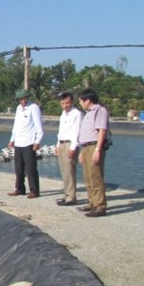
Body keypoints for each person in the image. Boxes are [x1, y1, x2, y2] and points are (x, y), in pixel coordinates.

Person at [77, 88, 110, 217]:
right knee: (88, 177)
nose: (80, 103)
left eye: (81, 101)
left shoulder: (100, 111)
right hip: (86, 146)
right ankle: (92, 202)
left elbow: (102, 131)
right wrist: (82, 151)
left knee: (96, 176)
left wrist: (97, 149)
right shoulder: (88, 112)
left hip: (94, 146)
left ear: (88, 100)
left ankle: (100, 206)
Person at [8, 88, 44, 198]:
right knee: (18, 168)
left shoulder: (33, 108)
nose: (23, 101)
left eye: (24, 98)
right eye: (21, 99)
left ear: (27, 98)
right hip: (18, 142)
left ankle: (34, 190)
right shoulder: (18, 109)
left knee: (31, 168)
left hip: (29, 142)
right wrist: (12, 139)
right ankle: (19, 188)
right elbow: (16, 126)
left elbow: (39, 126)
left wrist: (37, 141)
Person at [55, 92, 82, 206]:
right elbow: (61, 130)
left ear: (72, 102)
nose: (65, 105)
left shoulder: (77, 114)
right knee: (64, 171)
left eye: (67, 103)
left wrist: (73, 147)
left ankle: (71, 197)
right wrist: (57, 145)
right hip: (61, 143)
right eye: (63, 103)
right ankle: (66, 194)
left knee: (70, 171)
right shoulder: (63, 114)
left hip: (70, 144)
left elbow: (77, 131)